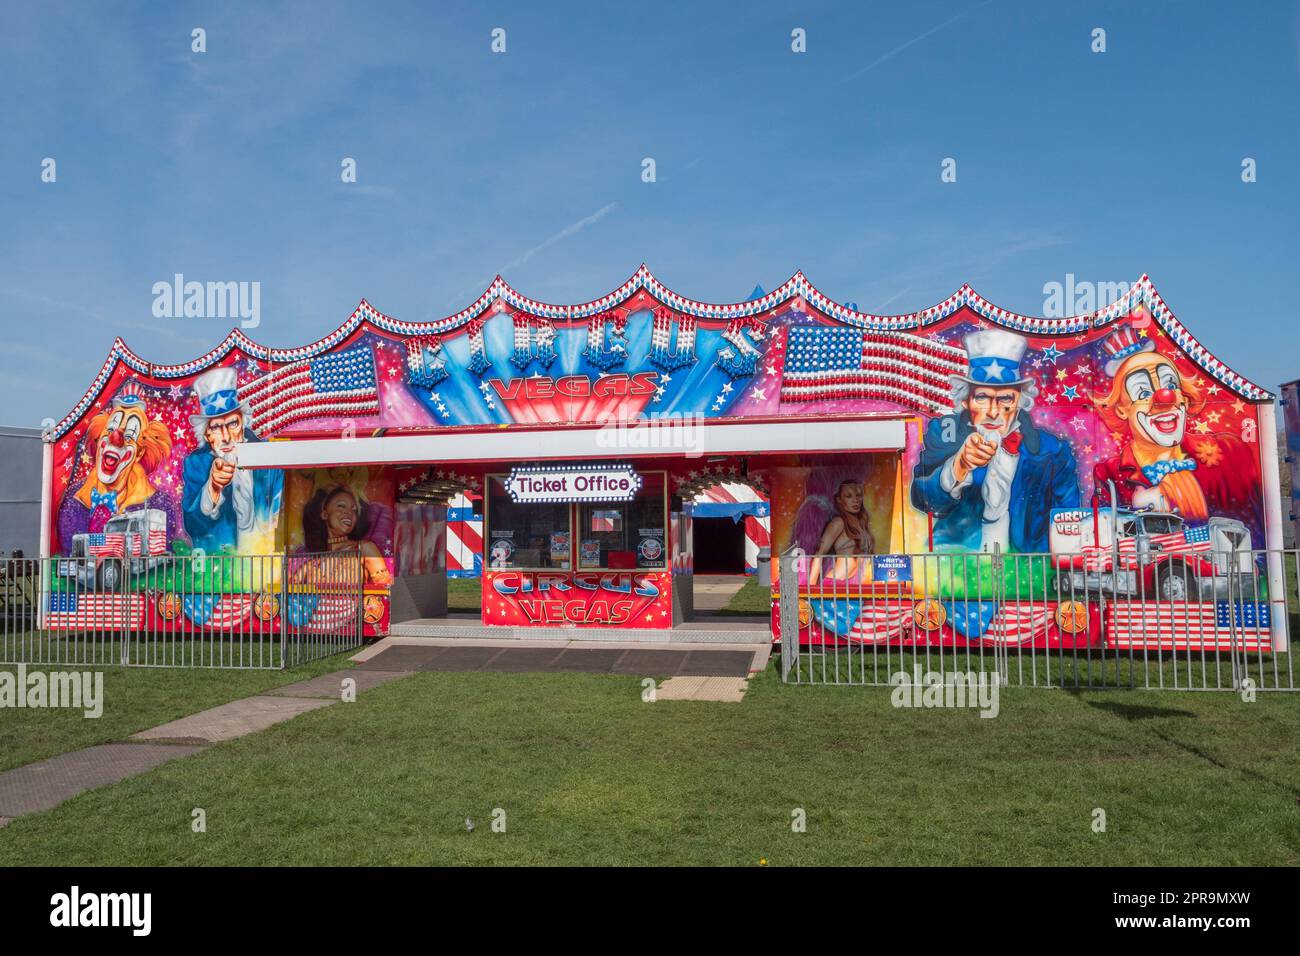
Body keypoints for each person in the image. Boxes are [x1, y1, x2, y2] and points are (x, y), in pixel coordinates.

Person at [911, 329, 1079, 553]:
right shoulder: (943, 435)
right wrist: (958, 466)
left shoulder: (1053, 451)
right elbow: (922, 497)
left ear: (1020, 401)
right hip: (960, 566)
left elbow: (1069, 518)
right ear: (966, 401)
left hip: (1027, 573)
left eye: (1005, 399)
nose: (992, 412)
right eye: (982, 397)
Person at [1091, 325, 1261, 537]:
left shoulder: (1229, 453)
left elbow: (1255, 536)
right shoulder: (1109, 475)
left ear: (1184, 398)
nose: (1164, 398)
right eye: (1142, 391)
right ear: (1122, 409)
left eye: (1170, 384)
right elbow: (1108, 536)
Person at [181, 367, 284, 553]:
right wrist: (212, 488)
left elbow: (279, 509)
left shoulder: (268, 457)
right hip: (221, 569)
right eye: (217, 427)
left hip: (265, 564)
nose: (226, 436)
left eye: (233, 424)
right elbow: (192, 525)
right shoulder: (196, 464)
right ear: (206, 434)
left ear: (243, 423)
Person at [299, 485, 391, 586]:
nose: (349, 512)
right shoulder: (314, 562)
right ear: (324, 514)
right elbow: (291, 589)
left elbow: (384, 587)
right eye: (341, 506)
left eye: (354, 510)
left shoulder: (364, 548)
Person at [807, 479, 873, 584]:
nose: (855, 500)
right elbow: (819, 554)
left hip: (855, 583)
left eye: (858, 495)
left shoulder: (861, 524)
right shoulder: (838, 522)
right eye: (848, 496)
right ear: (839, 500)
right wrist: (810, 589)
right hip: (836, 583)